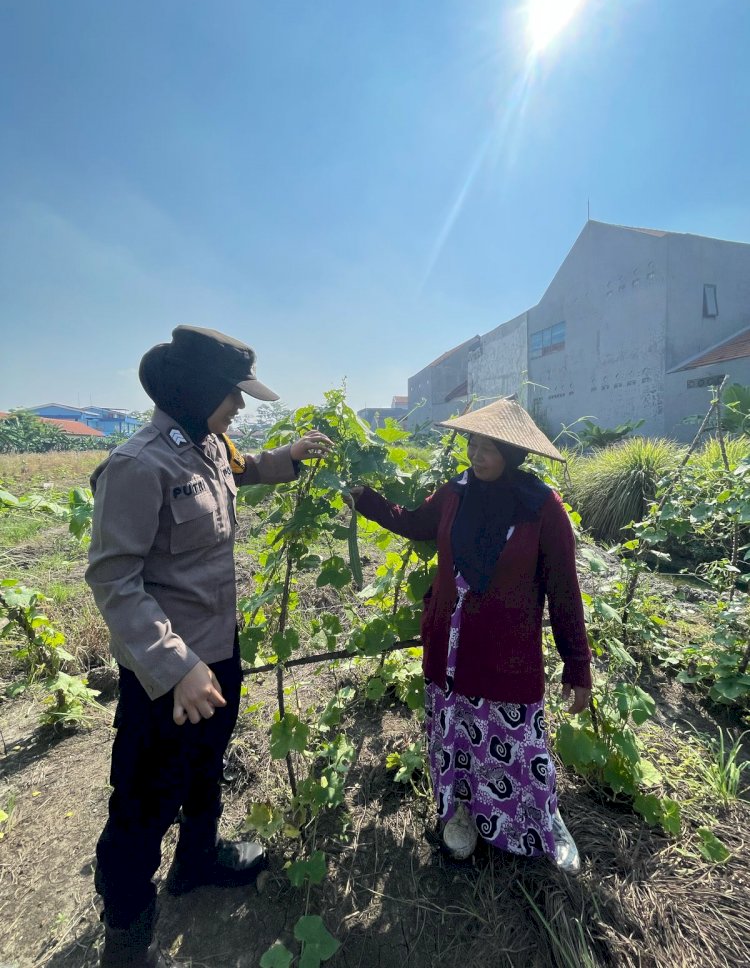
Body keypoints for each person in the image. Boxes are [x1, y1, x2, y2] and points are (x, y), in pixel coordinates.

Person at [85, 325, 332, 967]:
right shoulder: (139, 466)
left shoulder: (209, 447)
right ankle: (128, 932)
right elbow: (114, 578)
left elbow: (255, 468)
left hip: (219, 652)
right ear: (199, 391)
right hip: (165, 674)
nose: (241, 408)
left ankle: (195, 861)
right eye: (233, 394)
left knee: (206, 766)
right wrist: (176, 666)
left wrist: (295, 453)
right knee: (144, 799)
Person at [347, 398, 591, 873]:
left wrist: (576, 664)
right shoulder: (454, 493)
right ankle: (459, 811)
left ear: (514, 454)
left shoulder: (542, 509)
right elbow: (413, 521)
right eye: (473, 444)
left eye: (489, 448)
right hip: (450, 647)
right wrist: (366, 498)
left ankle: (542, 816)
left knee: (520, 743)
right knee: (456, 737)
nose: (477, 456)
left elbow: (564, 590)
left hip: (506, 652)